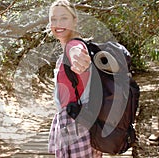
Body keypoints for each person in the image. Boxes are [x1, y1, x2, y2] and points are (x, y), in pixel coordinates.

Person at [47, 0, 102, 157]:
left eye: (64, 18)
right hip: (74, 121)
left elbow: (77, 51)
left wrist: (78, 58)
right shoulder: (63, 54)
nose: (58, 23)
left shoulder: (75, 45)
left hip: (77, 125)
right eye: (53, 19)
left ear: (75, 20)